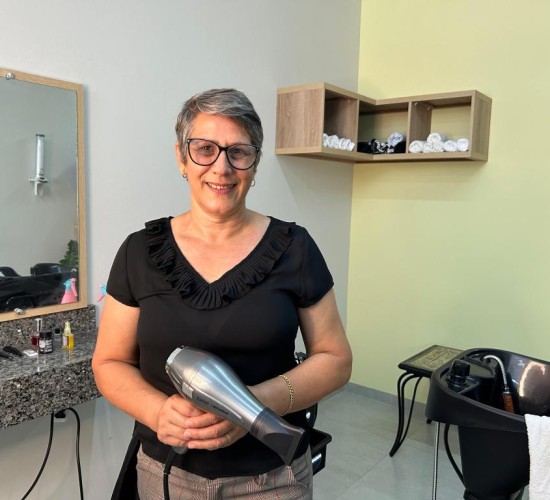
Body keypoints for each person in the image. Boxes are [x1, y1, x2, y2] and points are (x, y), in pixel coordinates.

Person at [92, 88, 353, 499]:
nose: (222, 167)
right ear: (181, 158)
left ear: (255, 163)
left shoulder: (295, 248)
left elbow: (336, 360)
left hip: (273, 478)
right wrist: (158, 412)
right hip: (167, 476)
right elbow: (109, 362)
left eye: (238, 152)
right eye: (205, 149)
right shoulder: (138, 252)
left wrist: (252, 406)